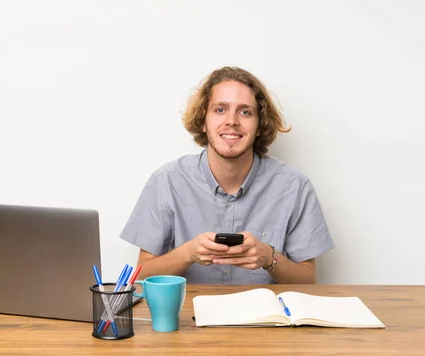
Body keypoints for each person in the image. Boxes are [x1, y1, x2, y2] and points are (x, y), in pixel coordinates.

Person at [120, 66, 334, 284]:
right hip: (188, 316)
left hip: (263, 317)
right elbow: (140, 274)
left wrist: (270, 258)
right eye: (220, 110)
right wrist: (188, 253)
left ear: (259, 125)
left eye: (245, 112)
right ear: (203, 121)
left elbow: (308, 280)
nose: (232, 121)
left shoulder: (295, 187)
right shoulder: (166, 182)